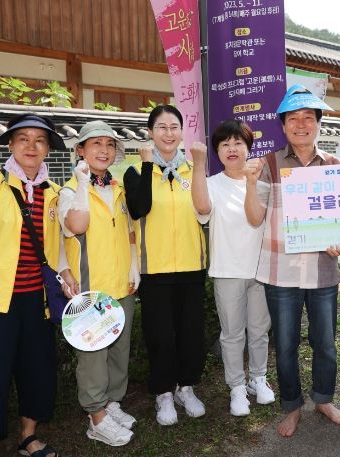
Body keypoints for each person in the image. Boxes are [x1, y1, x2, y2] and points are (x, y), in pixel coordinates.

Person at [243, 84, 340, 437]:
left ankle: (323, 399)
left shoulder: (334, 165)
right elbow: (255, 217)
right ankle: (291, 406)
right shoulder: (269, 164)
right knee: (286, 345)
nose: (301, 125)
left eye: (308, 118)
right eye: (293, 119)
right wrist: (250, 183)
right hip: (281, 271)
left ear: (318, 123)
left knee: (325, 343)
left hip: (322, 271)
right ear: (283, 125)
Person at [0, 113, 65, 457]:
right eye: (23, 139)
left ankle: (28, 436)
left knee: (36, 367)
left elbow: (57, 245)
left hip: (37, 298)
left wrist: (65, 274)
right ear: (10, 145)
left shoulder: (54, 191)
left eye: (40, 140)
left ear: (48, 148)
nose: (31, 146)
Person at [123, 105, 208, 426]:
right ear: (150, 132)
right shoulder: (135, 171)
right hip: (154, 268)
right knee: (160, 336)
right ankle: (163, 392)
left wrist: (198, 166)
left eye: (174, 127)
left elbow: (204, 211)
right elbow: (139, 208)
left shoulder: (194, 168)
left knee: (190, 333)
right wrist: (148, 165)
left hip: (191, 265)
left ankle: (186, 387)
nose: (168, 133)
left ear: (182, 132)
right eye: (161, 127)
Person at [57, 121, 140, 446]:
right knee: (93, 356)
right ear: (81, 150)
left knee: (119, 350)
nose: (104, 150)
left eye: (109, 144)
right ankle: (95, 416)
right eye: (95, 144)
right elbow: (76, 225)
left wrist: (134, 267)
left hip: (122, 285)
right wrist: (81, 183)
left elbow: (130, 231)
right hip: (91, 289)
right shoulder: (68, 190)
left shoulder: (118, 188)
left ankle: (112, 403)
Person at [191, 119, 275, 417]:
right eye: (224, 144)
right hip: (227, 271)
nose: (232, 148)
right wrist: (198, 164)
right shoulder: (211, 184)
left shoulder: (264, 185)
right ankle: (237, 387)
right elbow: (202, 208)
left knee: (260, 331)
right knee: (232, 334)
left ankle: (258, 378)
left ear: (248, 147)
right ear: (217, 152)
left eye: (238, 142)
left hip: (260, 270)